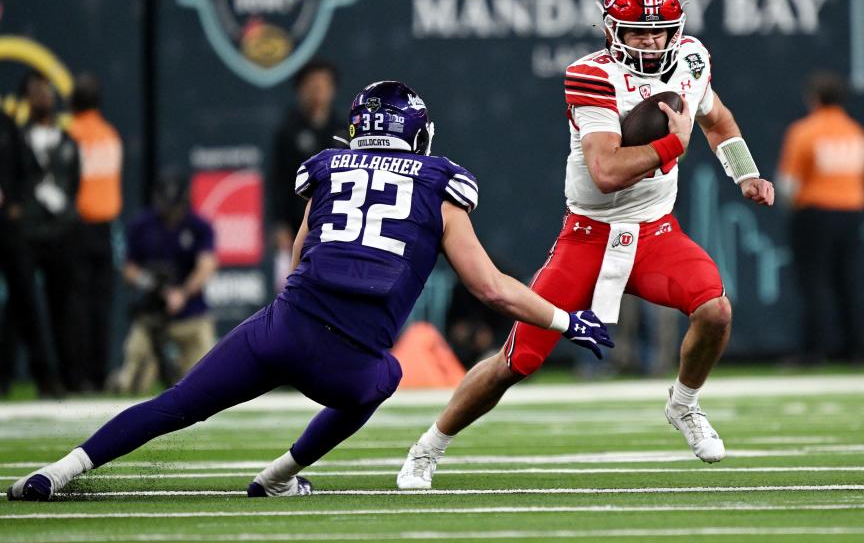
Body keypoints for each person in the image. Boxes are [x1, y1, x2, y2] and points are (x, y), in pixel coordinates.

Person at [6, 80, 612, 501]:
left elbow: (299, 255)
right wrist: (566, 321)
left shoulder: (327, 167)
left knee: (176, 405)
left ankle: (60, 471)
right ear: (417, 134)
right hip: (349, 357)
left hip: (282, 327)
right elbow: (493, 289)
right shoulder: (438, 183)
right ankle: (279, 475)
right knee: (386, 377)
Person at [397, 0, 775, 490]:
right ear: (611, 30)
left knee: (716, 310)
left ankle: (684, 405)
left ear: (674, 29)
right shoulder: (591, 75)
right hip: (589, 234)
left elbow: (719, 119)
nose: (649, 39)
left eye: (657, 30)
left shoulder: (691, 58)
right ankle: (428, 448)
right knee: (516, 360)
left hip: (655, 232)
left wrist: (745, 171)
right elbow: (607, 170)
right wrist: (671, 147)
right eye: (637, 31)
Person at [777, 71, 864, 365]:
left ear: (813, 99)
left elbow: (789, 182)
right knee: (847, 281)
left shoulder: (805, 131)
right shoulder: (856, 131)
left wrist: (791, 209)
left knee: (813, 284)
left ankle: (813, 351)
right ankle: (854, 351)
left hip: (815, 212)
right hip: (852, 211)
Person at [108, 171, 218, 394]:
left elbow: (207, 265)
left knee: (206, 383)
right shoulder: (142, 225)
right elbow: (129, 268)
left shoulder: (199, 226)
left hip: (191, 315)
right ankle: (129, 375)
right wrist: (153, 286)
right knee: (131, 384)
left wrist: (182, 293)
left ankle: (177, 369)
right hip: (152, 315)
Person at [17, 70, 86, 392]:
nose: (44, 97)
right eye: (36, 92)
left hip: (61, 232)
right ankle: (29, 375)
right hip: (28, 233)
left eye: (47, 91)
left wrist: (64, 207)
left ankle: (69, 377)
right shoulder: (16, 138)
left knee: (65, 307)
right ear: (26, 99)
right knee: (21, 307)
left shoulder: (68, 141)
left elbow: (74, 183)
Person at [269, 58, 348, 291]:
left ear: (332, 89)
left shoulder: (343, 130)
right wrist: (280, 225)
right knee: (290, 290)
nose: (317, 92)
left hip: (338, 225)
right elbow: (278, 181)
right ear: (301, 89)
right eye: (312, 85)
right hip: (296, 226)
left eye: (323, 86)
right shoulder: (288, 131)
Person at [0, 109, 64, 398]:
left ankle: (44, 377)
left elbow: (29, 171)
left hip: (10, 226)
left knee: (24, 299)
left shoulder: (8, 126)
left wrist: (17, 202)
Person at [68, 73, 124, 390]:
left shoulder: (72, 134)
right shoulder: (110, 135)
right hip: (106, 229)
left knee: (77, 304)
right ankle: (100, 373)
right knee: (101, 305)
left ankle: (79, 376)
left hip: (78, 227)